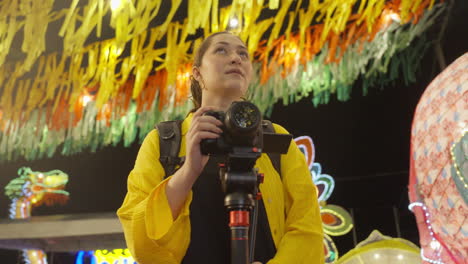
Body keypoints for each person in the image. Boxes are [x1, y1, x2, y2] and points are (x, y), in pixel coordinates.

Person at [117, 31, 324, 264]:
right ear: (197, 73)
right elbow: (139, 239)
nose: (236, 58)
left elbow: (308, 230)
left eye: (243, 54)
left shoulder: (274, 138)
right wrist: (187, 172)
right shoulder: (163, 141)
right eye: (221, 50)